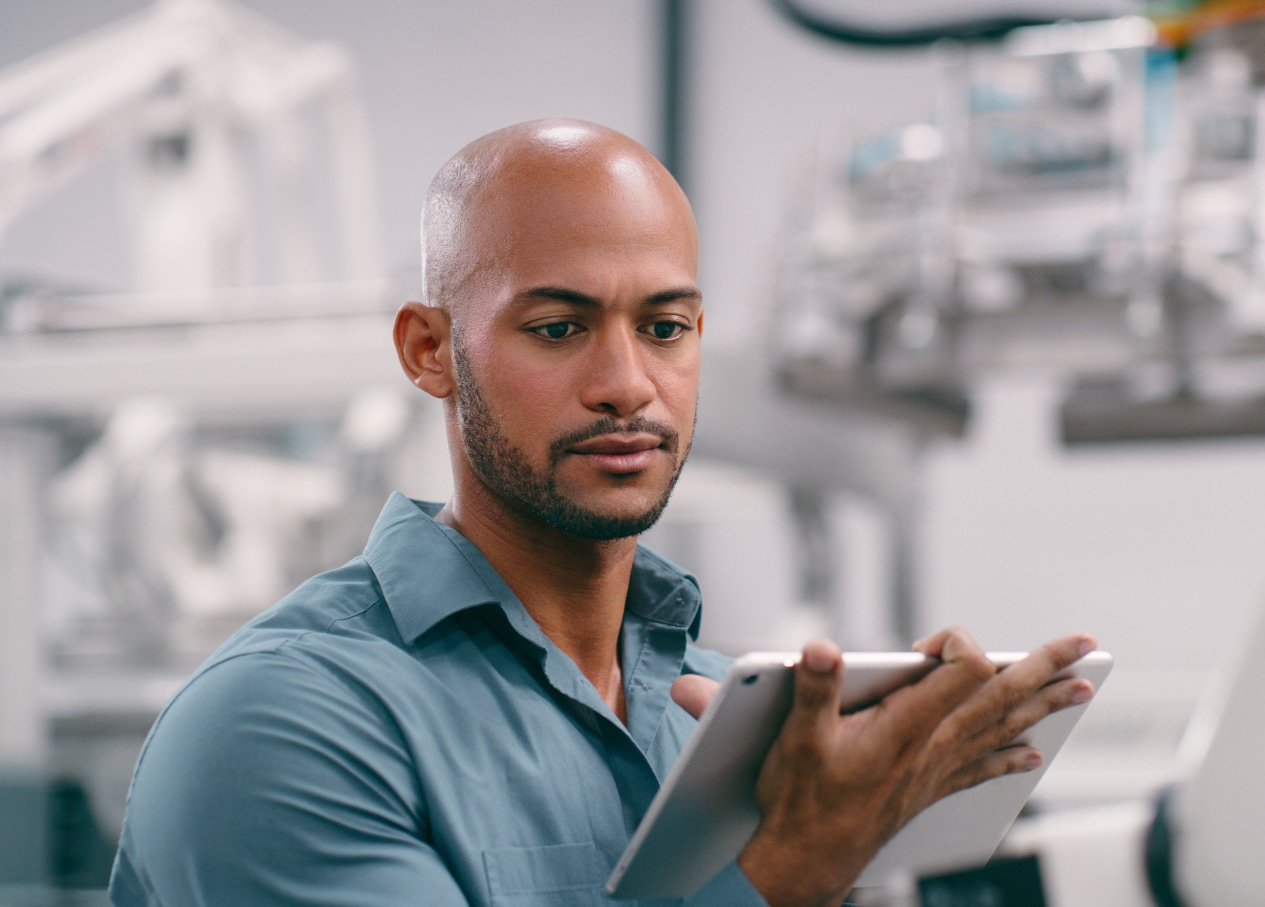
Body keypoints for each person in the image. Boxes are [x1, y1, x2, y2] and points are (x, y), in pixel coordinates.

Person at [109, 118, 1096, 906]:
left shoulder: (721, 716)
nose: (627, 383)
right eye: (557, 328)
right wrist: (785, 874)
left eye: (664, 327)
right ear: (427, 350)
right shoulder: (284, 726)